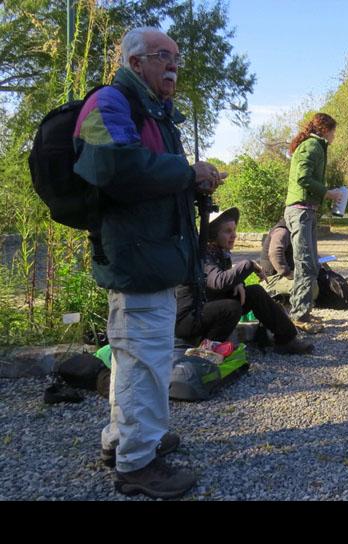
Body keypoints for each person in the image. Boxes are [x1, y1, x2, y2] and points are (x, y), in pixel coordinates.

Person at [74, 26, 225, 499]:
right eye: (163, 55)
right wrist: (186, 171)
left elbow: (151, 176)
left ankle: (123, 440)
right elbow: (114, 166)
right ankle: (137, 464)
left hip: (150, 257)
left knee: (135, 359)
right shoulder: (110, 103)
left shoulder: (153, 112)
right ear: (136, 62)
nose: (174, 65)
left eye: (176, 57)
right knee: (145, 362)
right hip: (137, 259)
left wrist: (192, 182)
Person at [175, 207, 313, 355]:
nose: (234, 235)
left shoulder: (220, 253)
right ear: (213, 234)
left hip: (205, 308)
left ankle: (286, 339)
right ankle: (207, 348)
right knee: (231, 307)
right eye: (227, 231)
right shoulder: (202, 255)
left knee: (254, 292)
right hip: (188, 319)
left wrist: (238, 282)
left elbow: (223, 282)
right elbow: (218, 282)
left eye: (234, 230)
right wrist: (249, 265)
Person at [284, 112, 343, 334]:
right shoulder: (312, 146)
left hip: (305, 211)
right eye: (334, 131)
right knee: (306, 264)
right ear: (326, 130)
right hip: (300, 211)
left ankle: (302, 310)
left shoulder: (314, 146)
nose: (334, 136)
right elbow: (303, 178)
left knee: (309, 264)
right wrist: (328, 193)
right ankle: (298, 316)